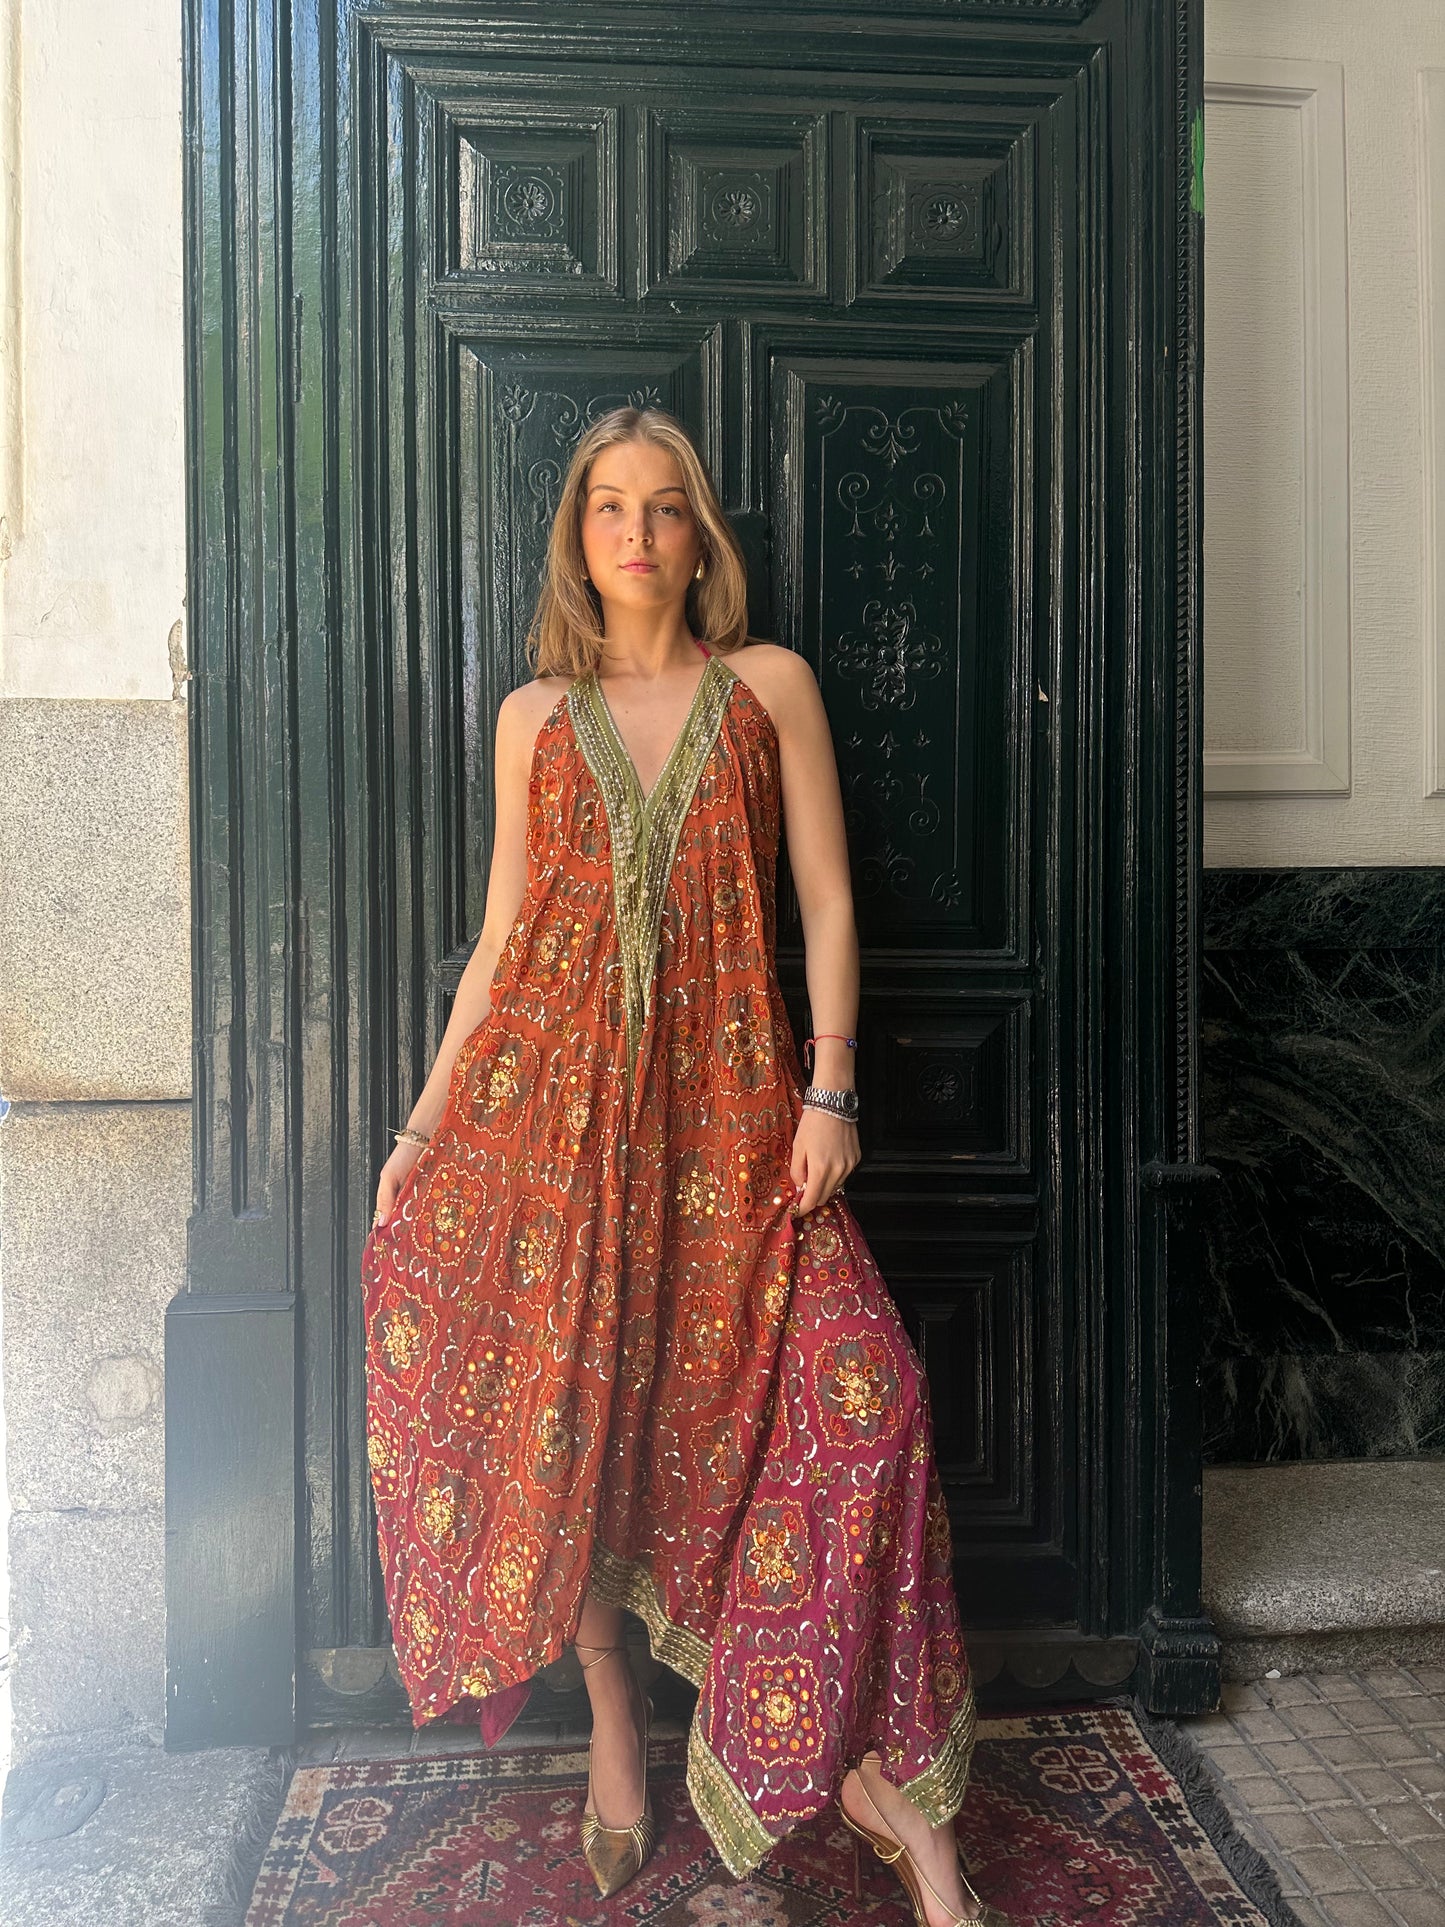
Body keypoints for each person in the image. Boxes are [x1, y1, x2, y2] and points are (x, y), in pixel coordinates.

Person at [359, 406, 1008, 1927]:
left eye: (663, 508)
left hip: (737, 1134)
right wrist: (424, 1129)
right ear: (574, 534)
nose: (636, 533)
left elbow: (829, 902)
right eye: (607, 506)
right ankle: (612, 1737)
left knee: (872, 1398)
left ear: (699, 534)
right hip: (559, 1139)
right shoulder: (531, 714)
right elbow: (505, 939)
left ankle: (877, 1780)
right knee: (583, 1431)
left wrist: (831, 1090)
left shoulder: (764, 688)